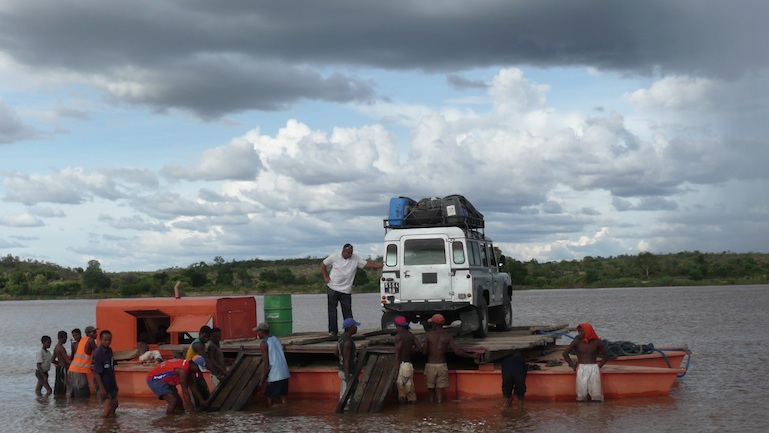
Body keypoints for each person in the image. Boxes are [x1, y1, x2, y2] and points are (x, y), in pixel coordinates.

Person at [321, 243, 383, 336]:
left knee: (347, 311)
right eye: (348, 253)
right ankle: (333, 331)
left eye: (351, 253)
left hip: (346, 290)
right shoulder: (334, 257)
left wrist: (379, 266)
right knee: (332, 310)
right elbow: (323, 264)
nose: (350, 255)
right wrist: (325, 277)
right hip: (333, 287)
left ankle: (349, 330)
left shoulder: (355, 258)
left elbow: (367, 264)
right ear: (343, 251)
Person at [422, 314, 478, 403]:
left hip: (430, 366)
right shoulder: (447, 336)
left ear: (434, 324)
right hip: (442, 366)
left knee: (431, 395)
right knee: (440, 397)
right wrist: (472, 356)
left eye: (432, 323)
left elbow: (424, 352)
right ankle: (441, 413)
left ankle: (431, 414)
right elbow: (457, 352)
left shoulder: (429, 335)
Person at [562, 322, 608, 402]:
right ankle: (582, 413)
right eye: (579, 331)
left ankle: (596, 413)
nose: (580, 333)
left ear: (588, 331)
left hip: (594, 368)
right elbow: (565, 353)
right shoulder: (577, 341)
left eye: (582, 331)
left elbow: (606, 355)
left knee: (596, 395)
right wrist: (572, 366)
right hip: (581, 368)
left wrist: (599, 366)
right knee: (581, 395)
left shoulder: (597, 342)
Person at [254, 322, 290, 407]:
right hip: (284, 372)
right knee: (283, 396)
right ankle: (286, 411)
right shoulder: (275, 339)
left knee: (268, 396)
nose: (257, 334)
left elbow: (266, 364)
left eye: (258, 332)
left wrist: (261, 382)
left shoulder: (263, 344)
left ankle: (270, 413)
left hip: (275, 374)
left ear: (262, 332)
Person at [393, 315, 422, 403]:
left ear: (397, 325)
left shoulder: (398, 336)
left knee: (401, 391)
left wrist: (396, 370)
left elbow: (398, 354)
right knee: (410, 391)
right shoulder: (411, 335)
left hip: (402, 366)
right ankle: (411, 413)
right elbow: (420, 349)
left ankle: (402, 414)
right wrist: (410, 351)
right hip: (409, 365)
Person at [92, 330, 119, 417]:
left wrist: (115, 384)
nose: (108, 342)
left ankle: (110, 425)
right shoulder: (98, 353)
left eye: (109, 340)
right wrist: (102, 388)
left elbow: (111, 368)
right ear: (100, 339)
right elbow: (96, 373)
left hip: (110, 381)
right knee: (107, 407)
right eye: (105, 340)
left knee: (115, 405)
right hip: (102, 382)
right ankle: (102, 426)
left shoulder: (110, 351)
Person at [185, 325, 212, 408]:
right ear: (199, 334)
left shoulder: (201, 343)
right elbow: (206, 359)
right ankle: (198, 408)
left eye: (208, 338)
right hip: (192, 370)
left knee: (203, 388)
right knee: (198, 390)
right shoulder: (198, 345)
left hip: (197, 369)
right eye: (205, 337)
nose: (206, 339)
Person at [68, 325, 98, 398]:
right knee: (82, 397)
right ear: (89, 333)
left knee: (77, 396)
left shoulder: (82, 340)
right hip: (78, 371)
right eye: (94, 332)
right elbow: (98, 353)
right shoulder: (90, 340)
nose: (96, 334)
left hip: (73, 370)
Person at [335, 317, 360, 400]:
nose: (356, 328)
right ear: (350, 327)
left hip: (342, 370)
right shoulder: (348, 342)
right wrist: (348, 377)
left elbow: (336, 352)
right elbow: (346, 360)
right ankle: (344, 410)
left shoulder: (341, 338)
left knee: (345, 394)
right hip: (348, 373)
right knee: (346, 397)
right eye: (355, 326)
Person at [52, 331, 70, 396]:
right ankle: (62, 402)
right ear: (63, 338)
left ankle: (59, 402)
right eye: (66, 338)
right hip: (63, 369)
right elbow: (66, 360)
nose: (66, 340)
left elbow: (52, 360)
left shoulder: (56, 347)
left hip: (58, 368)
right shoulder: (61, 348)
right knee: (63, 386)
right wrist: (75, 365)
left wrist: (59, 363)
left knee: (58, 385)